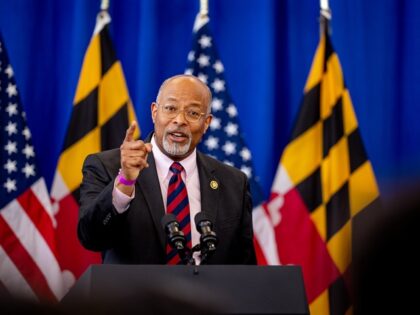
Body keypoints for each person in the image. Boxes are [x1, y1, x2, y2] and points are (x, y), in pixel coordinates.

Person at [77, 74, 256, 265]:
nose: (179, 120)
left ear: (207, 123)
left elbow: (244, 268)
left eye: (193, 113)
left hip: (208, 294)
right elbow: (92, 238)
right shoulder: (107, 167)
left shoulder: (233, 182)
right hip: (134, 294)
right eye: (170, 108)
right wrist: (125, 183)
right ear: (155, 112)